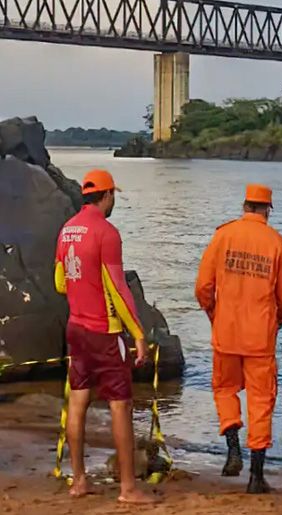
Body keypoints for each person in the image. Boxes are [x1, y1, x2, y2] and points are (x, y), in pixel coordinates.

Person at [53, 169, 158, 504]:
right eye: (114, 195)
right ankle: (128, 488)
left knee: (78, 402)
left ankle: (79, 481)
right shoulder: (106, 232)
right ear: (108, 195)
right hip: (104, 331)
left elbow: (59, 282)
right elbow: (118, 288)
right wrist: (138, 334)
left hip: (76, 328)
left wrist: (82, 287)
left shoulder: (67, 230)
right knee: (120, 406)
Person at [195, 183, 282, 494]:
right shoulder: (276, 243)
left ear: (244, 206)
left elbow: (203, 287)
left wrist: (215, 315)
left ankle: (232, 447)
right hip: (260, 339)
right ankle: (256, 476)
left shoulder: (223, 236)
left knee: (224, 389)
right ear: (267, 210)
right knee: (261, 402)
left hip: (226, 333)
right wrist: (280, 320)